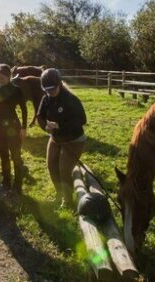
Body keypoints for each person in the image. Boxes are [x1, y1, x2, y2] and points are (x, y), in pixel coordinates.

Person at [37, 68, 87, 208]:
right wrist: (45, 127)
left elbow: (81, 120)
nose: (50, 93)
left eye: (52, 90)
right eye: (47, 90)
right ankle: (59, 194)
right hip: (56, 138)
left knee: (64, 169)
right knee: (51, 165)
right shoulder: (46, 98)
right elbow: (40, 116)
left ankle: (68, 201)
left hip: (74, 140)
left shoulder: (71, 99)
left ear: (59, 84)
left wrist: (60, 126)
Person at [0, 64, 27, 194]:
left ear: (9, 76)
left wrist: (23, 128)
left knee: (15, 156)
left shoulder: (16, 90)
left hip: (13, 126)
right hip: (0, 127)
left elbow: (24, 109)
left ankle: (17, 185)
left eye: (2, 78)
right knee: (3, 156)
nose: (0, 80)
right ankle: (6, 182)